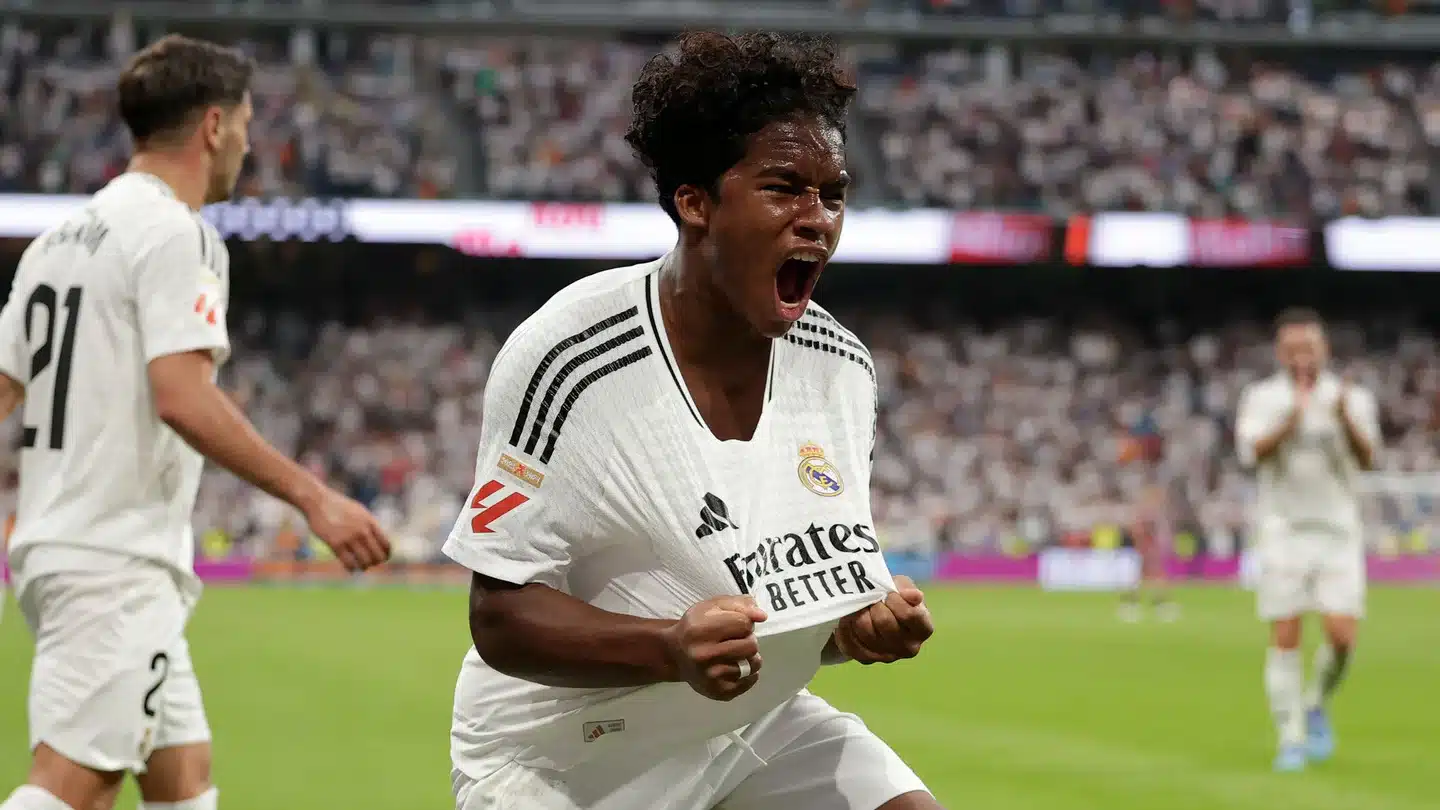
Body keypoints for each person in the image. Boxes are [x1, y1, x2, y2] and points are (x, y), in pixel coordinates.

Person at [442, 31, 941, 810]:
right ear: (695, 202)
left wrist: (858, 627)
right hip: (563, 755)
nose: (818, 219)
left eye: (834, 193)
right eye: (785, 187)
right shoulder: (569, 357)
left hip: (749, 724)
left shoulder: (843, 369)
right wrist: (668, 647)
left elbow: (801, 600)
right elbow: (500, 616)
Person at [0, 35, 390, 810]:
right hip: (115, 555)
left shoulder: (57, 241)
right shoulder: (181, 233)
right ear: (214, 125)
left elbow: (4, 386)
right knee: (73, 785)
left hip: (72, 543)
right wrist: (314, 497)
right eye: (246, 122)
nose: (249, 142)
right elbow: (180, 394)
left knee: (184, 777)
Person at [1235, 307, 1380, 772]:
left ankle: (1315, 703)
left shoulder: (1350, 398)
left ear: (1324, 350)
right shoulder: (1261, 397)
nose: (1302, 355)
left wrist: (1343, 420)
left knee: (1342, 636)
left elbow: (1368, 458)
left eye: (1310, 347)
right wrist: (1289, 421)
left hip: (1337, 529)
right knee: (1285, 633)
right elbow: (1251, 454)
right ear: (1280, 353)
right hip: (1283, 528)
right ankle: (1290, 738)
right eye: (1293, 348)